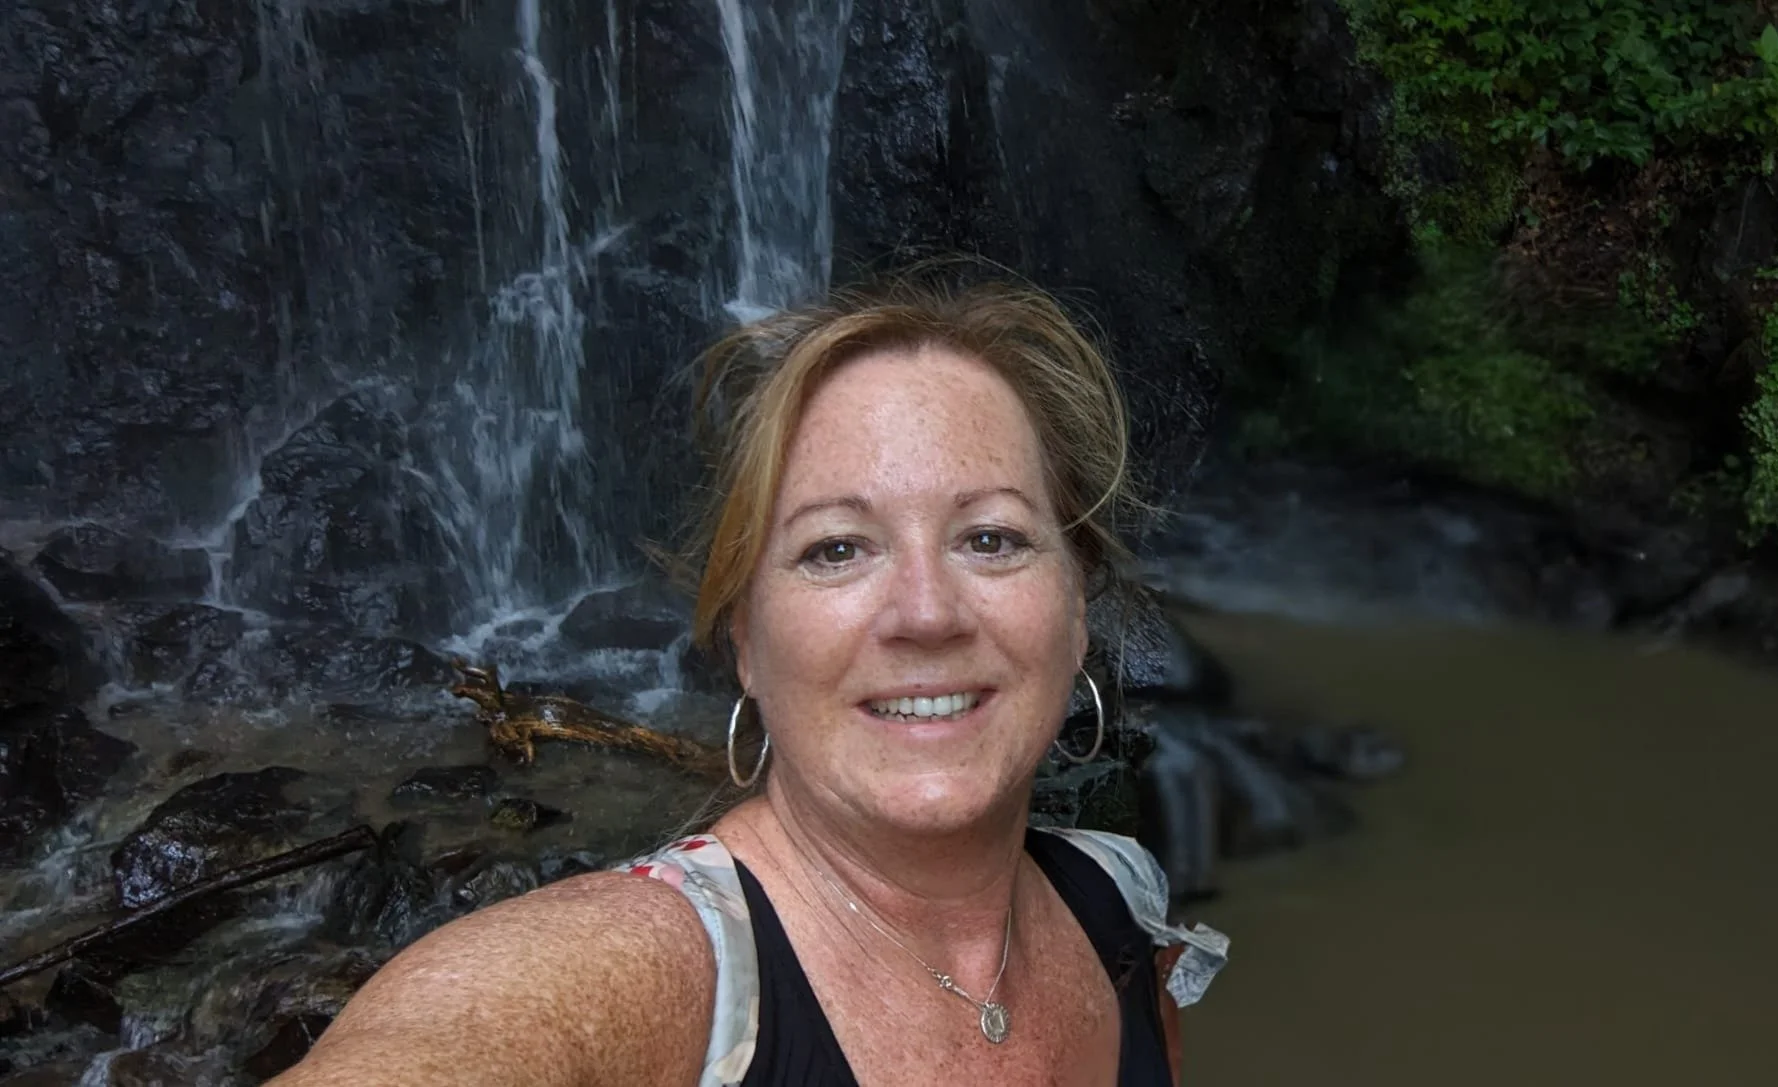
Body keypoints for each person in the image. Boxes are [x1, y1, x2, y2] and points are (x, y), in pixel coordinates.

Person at [272, 275, 1228, 1086]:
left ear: (1075, 610)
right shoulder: (663, 975)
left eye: (991, 537)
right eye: (836, 548)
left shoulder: (1121, 907)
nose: (927, 611)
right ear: (747, 642)